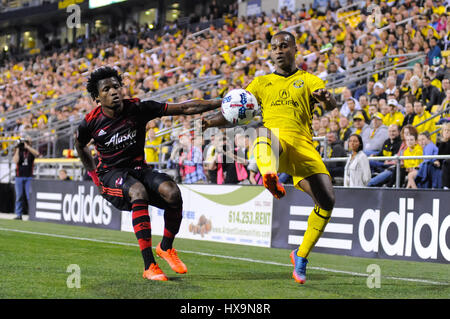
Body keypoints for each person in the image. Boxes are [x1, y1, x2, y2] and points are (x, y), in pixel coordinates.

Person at [204, 31, 337, 284]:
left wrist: (328, 99)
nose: (278, 50)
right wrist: (210, 121)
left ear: (295, 49)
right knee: (263, 131)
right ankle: (268, 175)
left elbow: (329, 102)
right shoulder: (260, 83)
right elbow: (234, 112)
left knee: (327, 201)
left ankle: (300, 255)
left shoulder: (308, 79)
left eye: (284, 46)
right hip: (275, 146)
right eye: (274, 47)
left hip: (304, 149)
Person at [75, 66, 222, 281]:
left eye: (116, 86)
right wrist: (95, 177)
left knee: (172, 191)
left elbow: (185, 108)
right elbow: (80, 146)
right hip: (110, 174)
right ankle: (149, 265)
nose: (114, 91)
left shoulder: (138, 109)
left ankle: (166, 248)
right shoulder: (90, 122)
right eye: (106, 89)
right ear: (97, 97)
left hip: (138, 169)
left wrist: (221, 102)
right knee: (138, 191)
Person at [13, 136, 40, 220]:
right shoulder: (19, 151)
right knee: (19, 196)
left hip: (29, 177)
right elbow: (15, 161)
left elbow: (37, 154)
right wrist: (17, 148)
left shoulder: (30, 151)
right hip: (19, 177)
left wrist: (28, 147)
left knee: (29, 197)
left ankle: (31, 214)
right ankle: (18, 214)